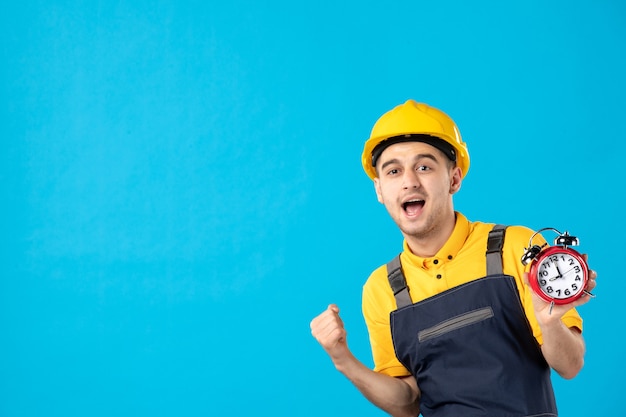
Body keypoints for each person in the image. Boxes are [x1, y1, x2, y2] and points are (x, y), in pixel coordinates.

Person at [309, 99, 597, 417]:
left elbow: (570, 366)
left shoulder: (515, 247)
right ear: (379, 190)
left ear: (454, 179)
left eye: (424, 166)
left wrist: (549, 322)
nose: (409, 181)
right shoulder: (382, 289)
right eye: (393, 171)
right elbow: (406, 402)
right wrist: (342, 359)